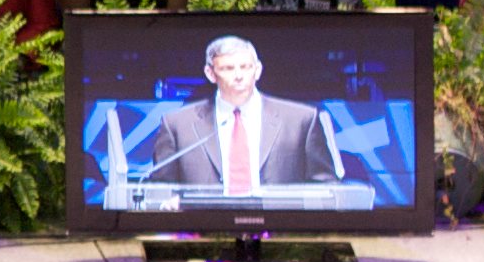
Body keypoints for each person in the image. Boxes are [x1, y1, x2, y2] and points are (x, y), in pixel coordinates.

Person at [133, 33, 344, 193]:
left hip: (282, 233)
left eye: (245, 67)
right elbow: (160, 191)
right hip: (203, 232)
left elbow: (326, 187)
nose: (238, 76)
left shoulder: (300, 120)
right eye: (227, 68)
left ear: (258, 70)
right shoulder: (177, 125)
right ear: (210, 73)